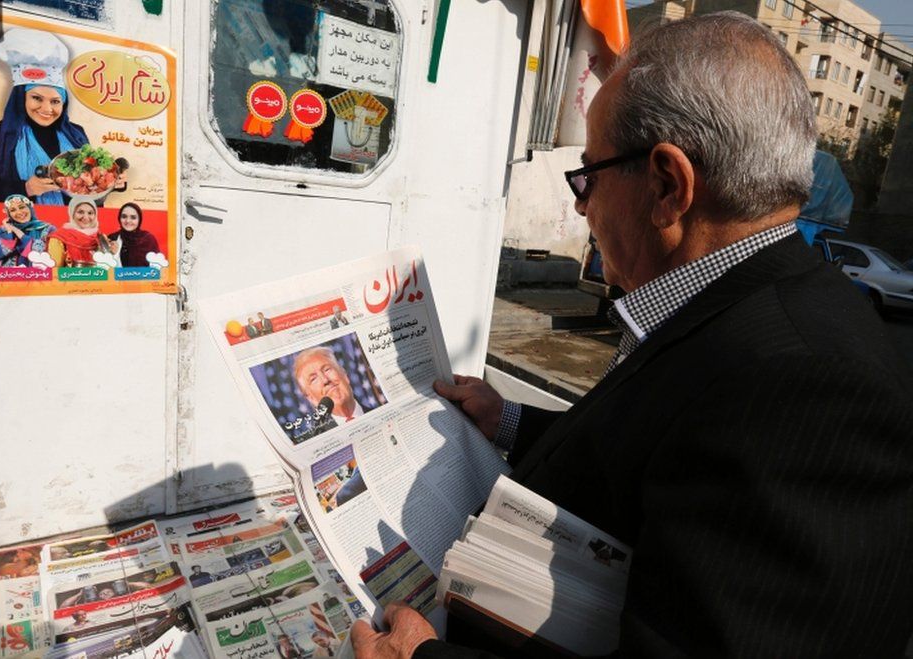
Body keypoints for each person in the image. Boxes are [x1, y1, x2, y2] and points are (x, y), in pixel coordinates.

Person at [352, 12, 913, 659]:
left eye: (588, 175)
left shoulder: (808, 387)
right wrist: (508, 420)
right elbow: (670, 457)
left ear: (668, 186)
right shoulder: (742, 305)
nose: (579, 204)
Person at [0, 29, 89, 205]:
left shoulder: (76, 134)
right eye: (37, 98)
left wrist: (113, 183)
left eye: (55, 101)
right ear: (21, 98)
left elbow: (90, 192)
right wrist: (26, 188)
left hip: (73, 226)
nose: (47, 109)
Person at [293, 347, 362, 422]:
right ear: (311, 398)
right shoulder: (320, 433)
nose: (325, 380)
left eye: (327, 370)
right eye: (314, 379)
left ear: (344, 375)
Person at [0, 194, 55, 267]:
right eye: (13, 210)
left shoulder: (47, 229)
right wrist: (9, 233)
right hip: (9, 276)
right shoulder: (3, 230)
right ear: (9, 214)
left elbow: (49, 255)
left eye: (22, 207)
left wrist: (20, 235)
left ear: (30, 207)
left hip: (37, 275)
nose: (19, 212)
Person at [48, 196, 110, 267]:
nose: (86, 217)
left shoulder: (100, 237)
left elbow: (108, 269)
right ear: (72, 213)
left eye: (90, 213)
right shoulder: (59, 238)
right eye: (80, 212)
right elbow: (54, 272)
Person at [108, 202, 159, 268]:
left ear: (139, 220)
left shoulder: (148, 239)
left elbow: (157, 268)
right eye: (124, 216)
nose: (128, 221)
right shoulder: (112, 238)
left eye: (133, 217)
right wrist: (110, 254)